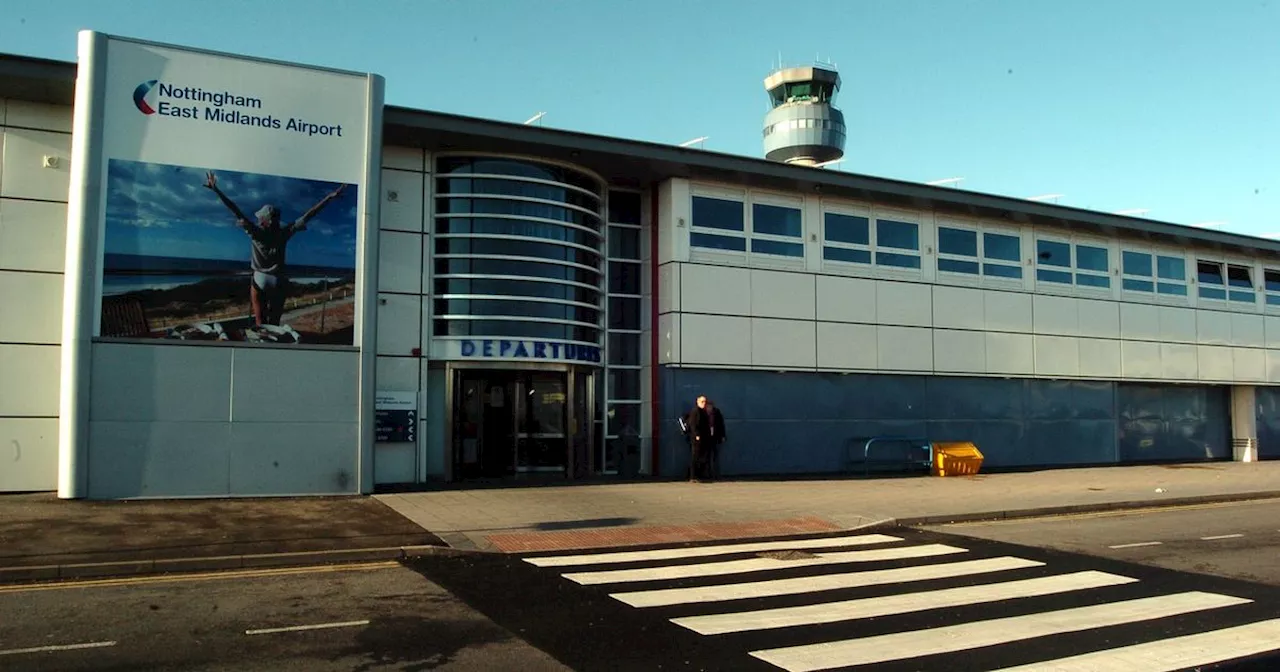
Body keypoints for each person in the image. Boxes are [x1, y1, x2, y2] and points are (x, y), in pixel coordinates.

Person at [203, 171, 346, 328]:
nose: (257, 219)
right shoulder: (284, 233)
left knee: (260, 323)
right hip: (278, 279)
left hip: (260, 278)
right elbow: (309, 214)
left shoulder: (256, 232)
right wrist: (328, 198)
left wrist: (216, 190)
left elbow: (234, 209)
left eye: (260, 218)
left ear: (264, 220)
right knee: (275, 323)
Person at [685, 395, 721, 482]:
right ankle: (693, 476)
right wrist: (697, 435)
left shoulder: (703, 412)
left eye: (705, 402)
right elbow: (693, 425)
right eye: (702, 402)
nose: (704, 403)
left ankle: (700, 475)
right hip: (697, 439)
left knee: (703, 457)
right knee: (695, 457)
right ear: (697, 402)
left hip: (704, 438)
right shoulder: (695, 411)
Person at [705, 398, 727, 479]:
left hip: (715, 436)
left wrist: (723, 436)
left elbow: (721, 425)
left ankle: (715, 473)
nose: (709, 408)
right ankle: (707, 473)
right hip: (706, 437)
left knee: (715, 455)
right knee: (706, 456)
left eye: (710, 406)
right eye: (707, 406)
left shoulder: (716, 413)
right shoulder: (702, 413)